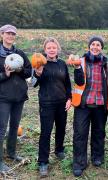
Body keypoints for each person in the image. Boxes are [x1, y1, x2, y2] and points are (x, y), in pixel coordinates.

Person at [33, 37, 72, 177]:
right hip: (47, 103)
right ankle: (43, 162)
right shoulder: (40, 63)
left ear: (57, 49)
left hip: (62, 102)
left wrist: (69, 98)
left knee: (61, 128)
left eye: (54, 47)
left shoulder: (62, 64)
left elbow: (67, 83)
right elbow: (33, 84)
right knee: (46, 132)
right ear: (45, 49)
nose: (51, 50)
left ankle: (59, 150)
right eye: (49, 48)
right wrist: (38, 73)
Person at [72, 36, 108, 177]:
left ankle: (97, 157)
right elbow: (79, 81)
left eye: (98, 45)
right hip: (83, 104)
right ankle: (79, 163)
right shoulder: (81, 61)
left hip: (100, 103)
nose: (95, 47)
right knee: (80, 134)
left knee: (99, 132)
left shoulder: (106, 63)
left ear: (101, 48)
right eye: (93, 44)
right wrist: (77, 69)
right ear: (89, 47)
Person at [0, 24, 32, 172]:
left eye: (13, 34)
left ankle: (11, 152)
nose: (10, 36)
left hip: (19, 96)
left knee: (14, 126)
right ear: (2, 34)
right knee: (1, 128)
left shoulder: (20, 53)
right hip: (3, 97)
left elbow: (28, 71)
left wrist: (19, 70)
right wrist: (4, 75)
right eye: (8, 33)